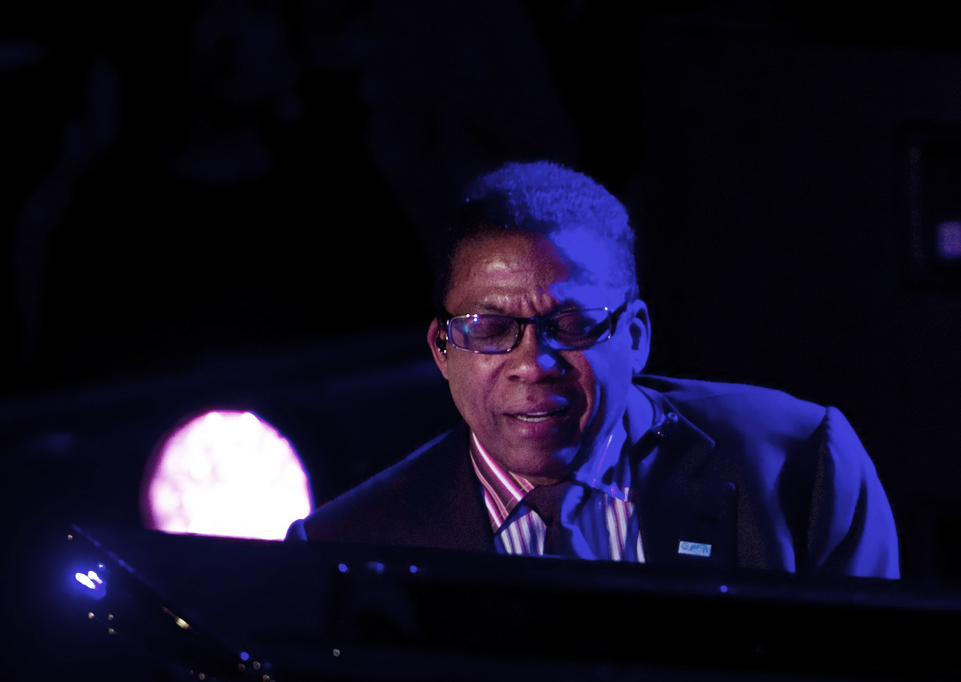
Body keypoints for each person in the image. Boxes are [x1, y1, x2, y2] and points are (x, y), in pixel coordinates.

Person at [290, 160, 898, 578]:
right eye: (491, 328)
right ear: (443, 349)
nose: (533, 363)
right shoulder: (343, 551)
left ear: (635, 337)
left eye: (573, 325)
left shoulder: (802, 465)